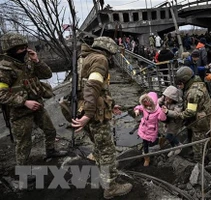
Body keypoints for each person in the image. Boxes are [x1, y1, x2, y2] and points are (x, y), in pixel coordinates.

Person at [71, 37, 132, 199]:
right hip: (95, 113)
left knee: (99, 146)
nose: (111, 58)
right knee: (107, 149)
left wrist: (110, 105)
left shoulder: (84, 58)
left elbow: (90, 89)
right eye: (111, 54)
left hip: (87, 108)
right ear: (107, 51)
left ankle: (104, 174)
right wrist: (89, 114)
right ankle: (110, 187)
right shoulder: (100, 59)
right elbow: (92, 87)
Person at [0, 33, 68, 166]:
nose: (23, 50)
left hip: (37, 105)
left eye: (25, 47)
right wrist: (24, 102)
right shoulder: (4, 68)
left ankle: (50, 151)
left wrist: (37, 61)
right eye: (20, 48)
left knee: (50, 130)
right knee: (24, 143)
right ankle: (23, 172)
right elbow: (1, 94)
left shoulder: (28, 60)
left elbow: (47, 74)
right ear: (10, 50)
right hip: (19, 112)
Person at [162, 66, 211, 162]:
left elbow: (190, 111)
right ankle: (202, 153)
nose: (179, 86)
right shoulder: (197, 82)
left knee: (198, 141)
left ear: (185, 81)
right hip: (205, 113)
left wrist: (177, 115)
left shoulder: (193, 93)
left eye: (180, 83)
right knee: (200, 137)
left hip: (201, 119)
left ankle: (199, 161)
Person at [134, 91, 167, 166]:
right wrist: (136, 110)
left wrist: (163, 111)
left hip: (152, 130)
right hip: (143, 128)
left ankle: (160, 141)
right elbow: (138, 107)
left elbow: (162, 118)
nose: (146, 103)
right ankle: (146, 158)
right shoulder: (144, 107)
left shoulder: (158, 110)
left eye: (148, 101)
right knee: (145, 143)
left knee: (152, 142)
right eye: (144, 101)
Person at [158, 86, 183, 157]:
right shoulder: (164, 98)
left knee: (169, 135)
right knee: (168, 134)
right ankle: (173, 147)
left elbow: (177, 113)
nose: (167, 100)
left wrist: (167, 111)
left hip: (174, 121)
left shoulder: (179, 102)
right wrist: (159, 103)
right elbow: (157, 102)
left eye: (169, 99)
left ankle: (179, 145)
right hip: (167, 120)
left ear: (174, 98)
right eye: (166, 97)